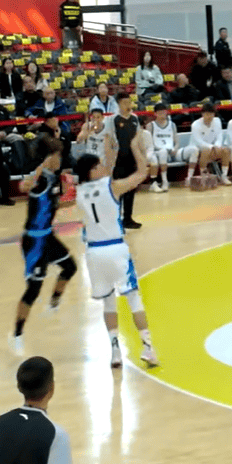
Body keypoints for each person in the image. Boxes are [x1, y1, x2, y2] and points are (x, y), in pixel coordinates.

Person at [73, 136, 159, 368]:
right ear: (92, 170)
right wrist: (134, 147)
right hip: (115, 249)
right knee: (134, 298)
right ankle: (148, 348)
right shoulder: (112, 186)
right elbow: (142, 173)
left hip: (93, 253)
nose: (103, 167)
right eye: (98, 165)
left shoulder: (79, 192)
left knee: (108, 304)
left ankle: (115, 352)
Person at [11, 136, 77, 352]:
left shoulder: (55, 179)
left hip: (48, 236)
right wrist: (41, 166)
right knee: (33, 290)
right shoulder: (39, 179)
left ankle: (54, 302)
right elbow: (24, 186)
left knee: (70, 267)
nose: (61, 159)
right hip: (34, 241)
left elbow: (55, 203)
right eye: (57, 155)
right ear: (49, 157)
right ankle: (17, 334)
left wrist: (80, 199)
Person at [146, 102, 197, 191]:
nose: (162, 114)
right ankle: (165, 181)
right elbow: (149, 144)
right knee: (163, 152)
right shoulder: (150, 126)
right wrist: (162, 149)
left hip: (172, 152)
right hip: (158, 152)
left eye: (164, 112)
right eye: (160, 113)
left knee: (194, 150)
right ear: (155, 114)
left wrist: (175, 149)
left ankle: (189, 179)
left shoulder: (172, 124)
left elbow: (177, 142)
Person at [111, 93, 144, 229]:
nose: (128, 105)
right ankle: (116, 219)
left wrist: (141, 156)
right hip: (118, 160)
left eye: (129, 102)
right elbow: (109, 140)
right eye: (124, 103)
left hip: (132, 159)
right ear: (119, 104)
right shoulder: (113, 119)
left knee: (131, 189)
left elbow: (139, 138)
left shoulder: (135, 118)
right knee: (118, 190)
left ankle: (128, 219)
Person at [190, 102, 232, 185]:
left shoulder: (217, 121)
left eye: (211, 114)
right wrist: (211, 147)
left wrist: (217, 146)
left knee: (226, 151)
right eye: (207, 114)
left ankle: (224, 176)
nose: (210, 116)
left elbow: (219, 136)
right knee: (206, 151)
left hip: (214, 148)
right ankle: (204, 177)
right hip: (198, 149)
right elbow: (198, 141)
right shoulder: (195, 124)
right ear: (202, 114)